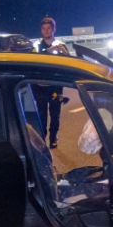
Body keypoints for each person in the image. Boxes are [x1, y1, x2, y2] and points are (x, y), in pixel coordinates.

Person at [32, 16, 70, 148]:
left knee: (55, 114)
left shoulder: (60, 45)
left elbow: (69, 64)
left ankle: (53, 137)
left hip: (55, 87)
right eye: (44, 28)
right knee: (41, 115)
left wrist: (65, 53)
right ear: (41, 30)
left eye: (49, 28)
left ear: (54, 29)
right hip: (39, 87)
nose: (46, 31)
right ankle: (42, 139)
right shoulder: (36, 46)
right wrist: (46, 51)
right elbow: (32, 60)